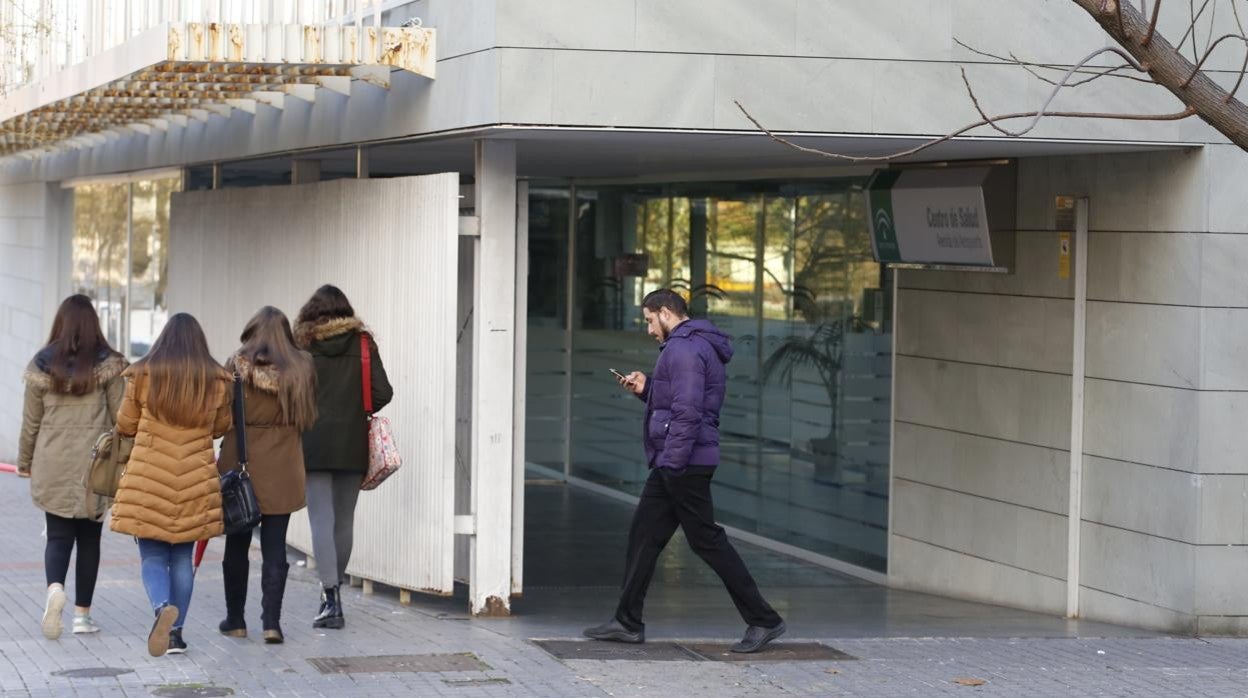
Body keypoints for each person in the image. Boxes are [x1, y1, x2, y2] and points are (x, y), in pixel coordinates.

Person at [584, 289, 787, 654]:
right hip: (675, 460)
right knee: (644, 536)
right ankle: (627, 622)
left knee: (707, 541)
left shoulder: (683, 349)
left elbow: (689, 412)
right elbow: (678, 401)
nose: (648, 329)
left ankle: (765, 620)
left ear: (665, 312)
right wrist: (647, 388)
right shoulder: (689, 347)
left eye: (649, 320)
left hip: (682, 463)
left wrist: (674, 464)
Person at [110, 313, 232, 657]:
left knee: (151, 554)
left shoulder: (143, 375)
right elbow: (221, 427)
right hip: (195, 481)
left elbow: (125, 424)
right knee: (182, 556)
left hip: (149, 480)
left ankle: (162, 606)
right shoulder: (217, 381)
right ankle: (176, 634)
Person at [18, 295, 128, 640]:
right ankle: (82, 615)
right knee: (90, 539)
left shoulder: (41, 365)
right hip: (94, 464)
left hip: (51, 461)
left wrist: (24, 462)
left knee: (57, 534)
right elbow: (122, 420)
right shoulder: (109, 366)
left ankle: (54, 589)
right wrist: (125, 461)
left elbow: (30, 423)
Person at [294, 285, 392, 629]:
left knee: (321, 519)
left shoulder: (301, 346)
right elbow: (383, 392)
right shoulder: (363, 344)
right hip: (353, 443)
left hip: (312, 442)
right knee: (344, 520)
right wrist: (355, 408)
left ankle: (330, 597)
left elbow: (290, 396)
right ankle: (332, 596)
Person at [217, 306, 316, 644]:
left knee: (237, 542)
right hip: (284, 464)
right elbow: (309, 418)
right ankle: (271, 623)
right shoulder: (302, 369)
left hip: (241, 461)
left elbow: (221, 414)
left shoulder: (236, 367)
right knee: (275, 546)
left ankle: (235, 619)